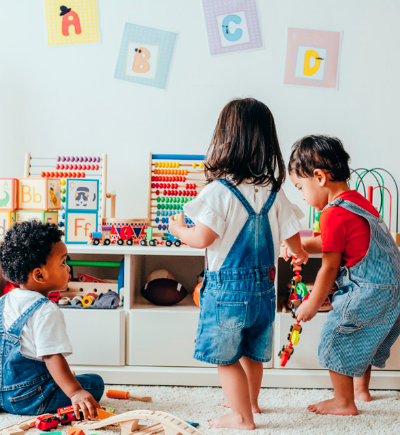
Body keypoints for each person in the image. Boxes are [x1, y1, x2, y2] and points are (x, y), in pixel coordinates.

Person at [169, 98, 307, 430]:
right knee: (252, 352)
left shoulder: (219, 191)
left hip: (227, 292)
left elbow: (202, 238)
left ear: (224, 140)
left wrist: (178, 230)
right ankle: (252, 404)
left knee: (226, 358)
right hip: (264, 290)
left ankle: (241, 417)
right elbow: (293, 239)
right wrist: (297, 253)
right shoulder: (274, 190)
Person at [285, 135, 400, 415]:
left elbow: (329, 266)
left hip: (372, 289)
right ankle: (361, 390)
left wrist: (312, 303)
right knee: (362, 337)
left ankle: (343, 403)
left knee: (337, 335)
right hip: (398, 287)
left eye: (300, 188)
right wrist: (303, 245)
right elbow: (337, 241)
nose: (303, 197)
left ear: (319, 177)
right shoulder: (358, 203)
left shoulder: (330, 215)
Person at [0, 220, 104, 419]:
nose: (68, 268)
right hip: (31, 399)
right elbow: (52, 357)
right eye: (63, 262)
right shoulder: (45, 310)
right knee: (95, 383)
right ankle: (68, 389)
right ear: (39, 275)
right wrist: (75, 392)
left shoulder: (0, 303)